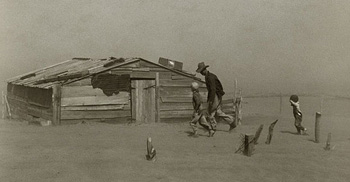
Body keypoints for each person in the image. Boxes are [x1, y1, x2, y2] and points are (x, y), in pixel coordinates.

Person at [196, 62, 237, 132]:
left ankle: (213, 128)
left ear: (205, 69)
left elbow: (213, 89)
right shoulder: (208, 76)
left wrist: (211, 101)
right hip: (216, 95)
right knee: (218, 112)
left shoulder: (210, 77)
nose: (201, 73)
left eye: (201, 71)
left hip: (215, 95)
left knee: (211, 112)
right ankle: (231, 122)